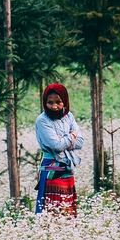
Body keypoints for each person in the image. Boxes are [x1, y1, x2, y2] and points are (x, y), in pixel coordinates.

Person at [34, 83, 83, 216]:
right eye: (49, 102)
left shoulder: (69, 117)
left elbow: (80, 142)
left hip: (67, 170)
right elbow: (56, 145)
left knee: (67, 215)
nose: (54, 106)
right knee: (52, 214)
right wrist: (71, 135)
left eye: (58, 102)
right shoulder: (42, 121)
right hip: (51, 171)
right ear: (44, 102)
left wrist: (64, 139)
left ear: (65, 101)